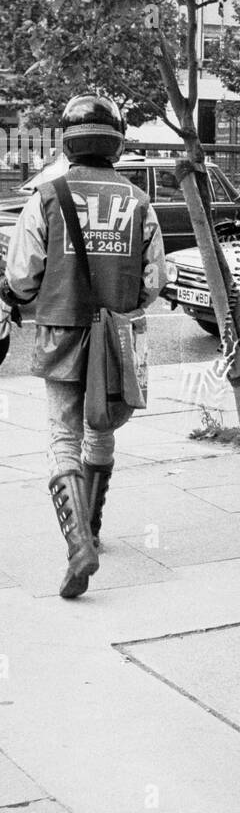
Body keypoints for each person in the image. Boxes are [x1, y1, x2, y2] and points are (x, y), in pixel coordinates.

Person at [0, 95, 165, 598]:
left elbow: (22, 276)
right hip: (116, 340)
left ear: (67, 141)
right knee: (102, 428)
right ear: (116, 142)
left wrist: (23, 295)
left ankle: (77, 546)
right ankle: (91, 527)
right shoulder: (138, 201)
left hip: (61, 333)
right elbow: (152, 282)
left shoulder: (46, 195)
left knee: (62, 436)